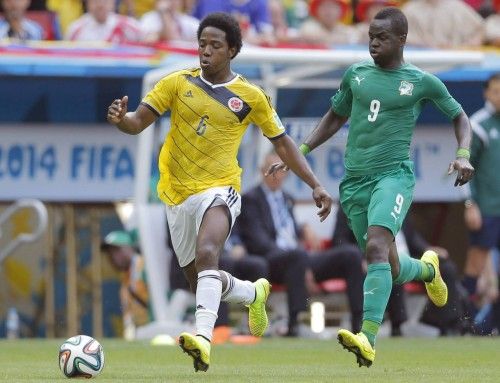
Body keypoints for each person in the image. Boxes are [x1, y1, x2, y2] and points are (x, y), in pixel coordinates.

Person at [106, 12, 333, 372]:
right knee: (199, 280)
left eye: (215, 45)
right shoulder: (176, 83)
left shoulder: (250, 96)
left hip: (221, 188)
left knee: (209, 252)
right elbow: (138, 123)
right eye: (202, 45)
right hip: (177, 195)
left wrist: (316, 185)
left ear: (232, 50)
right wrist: (122, 120)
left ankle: (203, 340)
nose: (206, 52)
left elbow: (284, 143)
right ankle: (252, 293)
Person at [268, 7, 474, 367]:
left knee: (377, 247)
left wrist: (463, 154)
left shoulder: (422, 81)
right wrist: (298, 153)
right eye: (370, 37)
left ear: (401, 40)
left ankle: (368, 336)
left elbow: (459, 116)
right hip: (354, 184)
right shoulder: (356, 75)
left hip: (393, 176)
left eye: (382, 37)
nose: (374, 43)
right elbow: (335, 116)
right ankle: (428, 270)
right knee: (388, 265)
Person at [238, 151, 364, 336]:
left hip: (299, 259)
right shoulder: (250, 199)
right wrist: (300, 261)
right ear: (262, 171)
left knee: (350, 254)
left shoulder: (287, 199)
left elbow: (287, 231)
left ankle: (359, 324)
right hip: (271, 260)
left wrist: (304, 229)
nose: (276, 175)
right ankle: (294, 324)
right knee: (296, 256)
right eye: (271, 170)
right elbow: (258, 241)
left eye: (280, 170)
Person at [462, 73, 500, 315]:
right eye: (496, 91)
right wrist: (470, 204)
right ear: (486, 93)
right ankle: (461, 318)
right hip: (486, 207)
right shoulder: (479, 124)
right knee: (476, 262)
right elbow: (465, 167)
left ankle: (493, 323)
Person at [101, 230, 150, 339]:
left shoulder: (144, 266)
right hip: (140, 333)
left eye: (116, 250)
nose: (113, 256)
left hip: (156, 329)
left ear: (128, 248)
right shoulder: (125, 275)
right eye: (110, 252)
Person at [65, 0, 143, 43]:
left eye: (105, 1)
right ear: (87, 3)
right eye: (95, 1)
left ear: (113, 2)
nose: (100, 5)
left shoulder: (130, 26)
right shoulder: (75, 29)